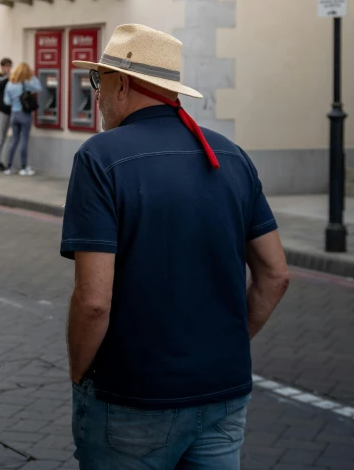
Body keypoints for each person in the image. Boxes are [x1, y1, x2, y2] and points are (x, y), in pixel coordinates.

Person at [61, 24, 289, 470]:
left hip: (133, 394)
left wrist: (78, 372)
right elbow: (276, 274)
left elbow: (92, 302)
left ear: (122, 84)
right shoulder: (232, 155)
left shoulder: (100, 157)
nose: (96, 94)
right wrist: (227, 344)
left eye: (98, 81)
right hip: (223, 392)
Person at [3, 62, 42, 177]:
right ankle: (23, 168)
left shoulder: (10, 84)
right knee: (24, 140)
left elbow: (7, 101)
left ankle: (9, 167)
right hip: (25, 115)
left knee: (14, 141)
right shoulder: (27, 84)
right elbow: (39, 88)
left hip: (14, 115)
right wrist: (32, 76)